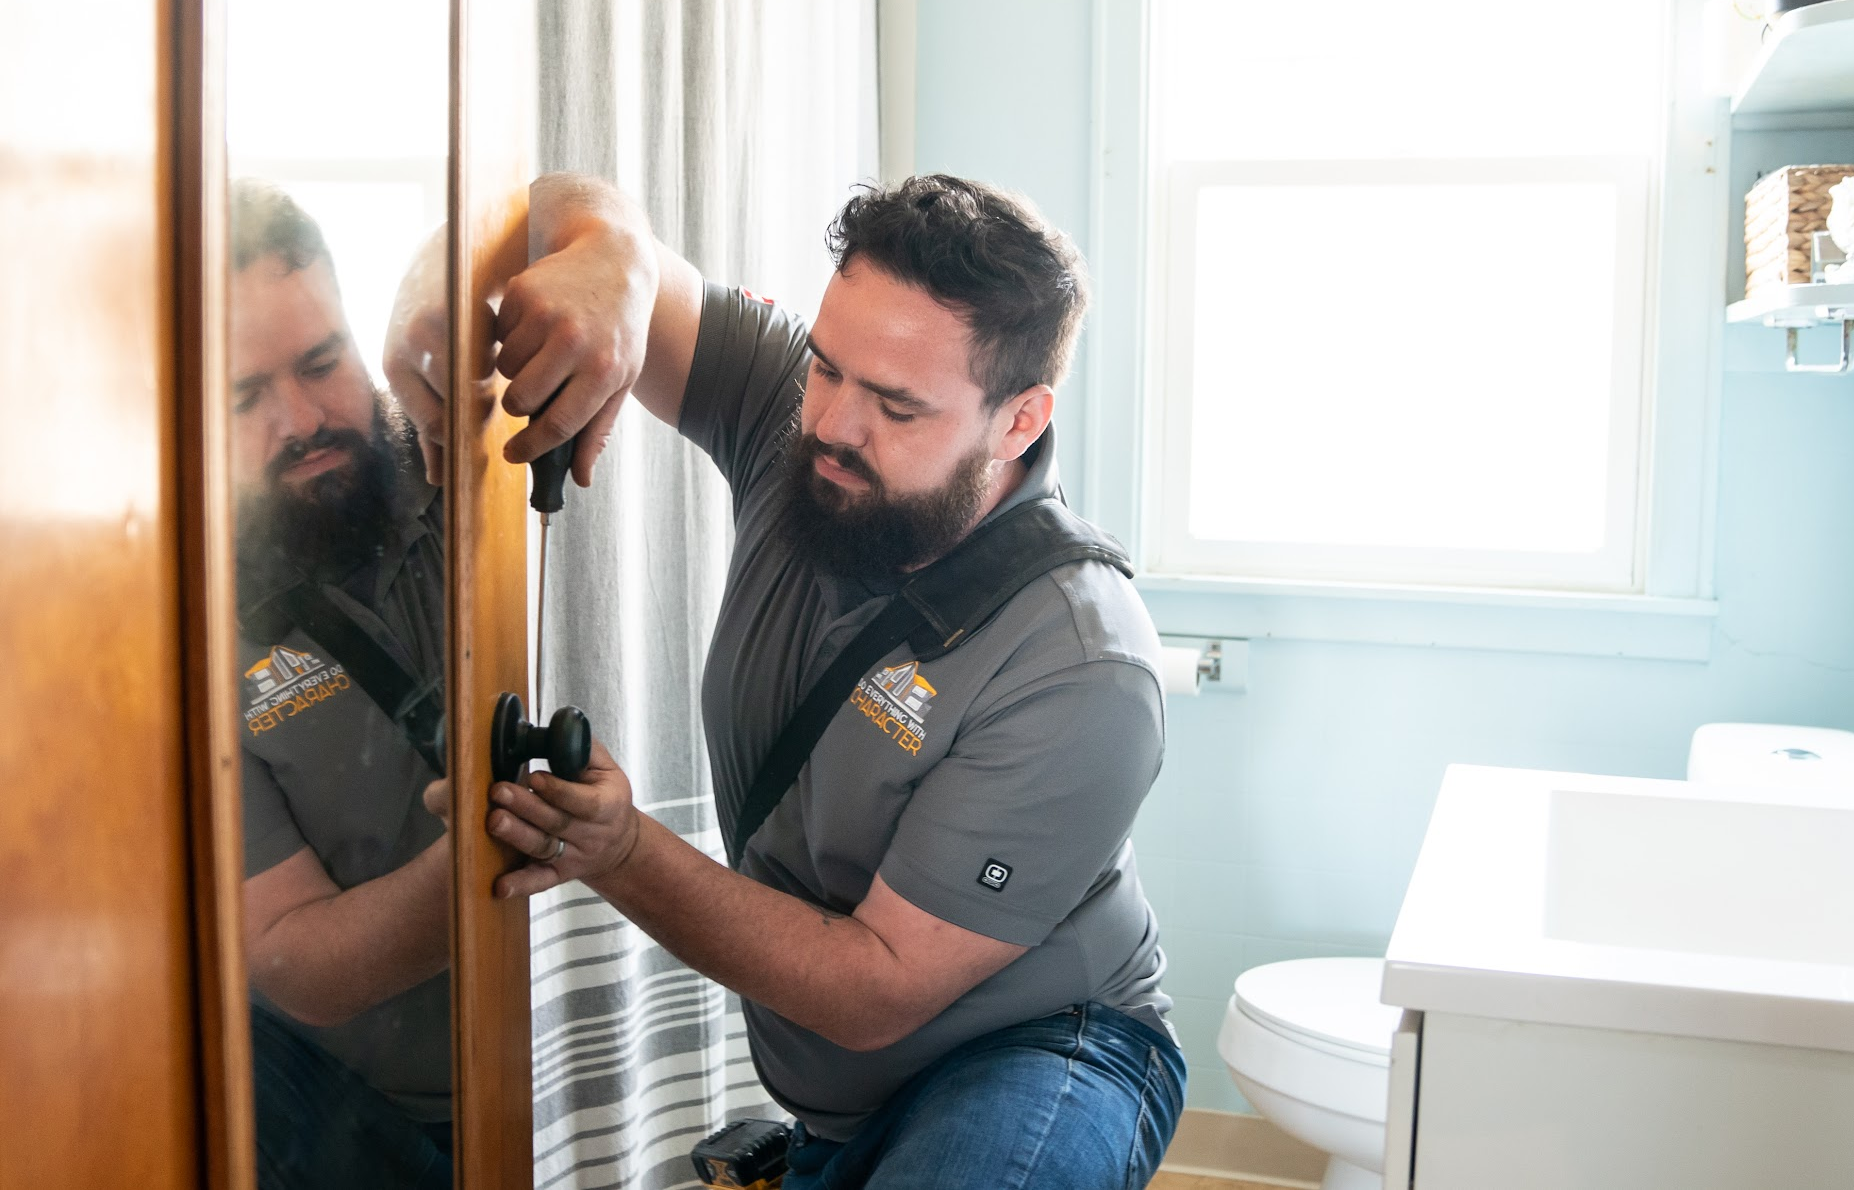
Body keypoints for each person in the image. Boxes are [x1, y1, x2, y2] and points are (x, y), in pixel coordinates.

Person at [393, 172, 1184, 1189]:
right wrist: (433, 293)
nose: (833, 428)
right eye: (826, 369)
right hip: (835, 1100)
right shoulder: (796, 415)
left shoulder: (1081, 665)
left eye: (897, 406)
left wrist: (622, 849)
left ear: (1020, 421)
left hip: (1043, 1050)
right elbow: (566, 212)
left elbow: (874, 990)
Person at [230, 179, 453, 1190]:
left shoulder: (478, 476)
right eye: (244, 396)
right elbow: (289, 957)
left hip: (579, 1070)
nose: (300, 420)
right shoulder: (175, 629)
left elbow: (574, 238)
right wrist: (499, 861)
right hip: (347, 1119)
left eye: (322, 364)